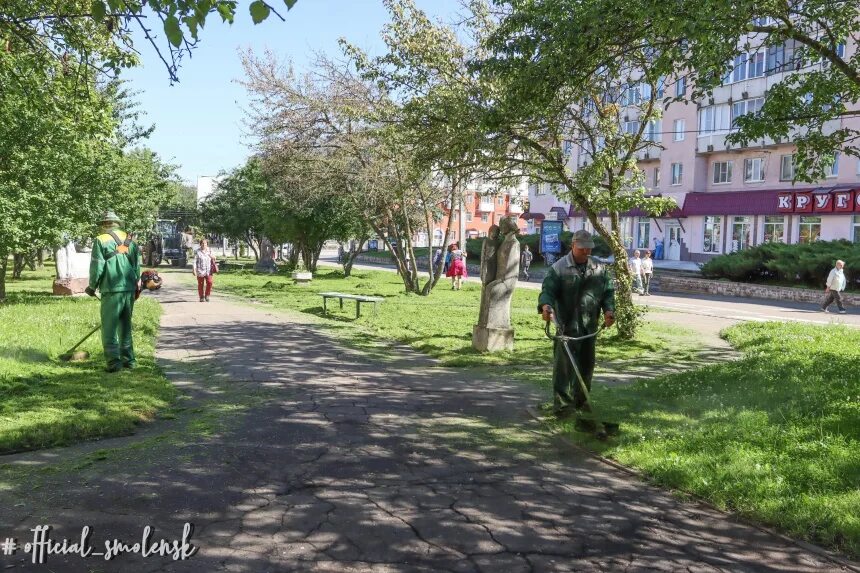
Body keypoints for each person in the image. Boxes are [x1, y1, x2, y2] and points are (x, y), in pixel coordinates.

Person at [539, 230, 615, 417]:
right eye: (582, 248)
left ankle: (582, 401)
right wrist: (546, 306)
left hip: (589, 325)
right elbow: (547, 291)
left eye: (589, 248)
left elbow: (607, 292)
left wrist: (609, 310)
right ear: (573, 245)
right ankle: (563, 406)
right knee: (564, 368)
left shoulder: (598, 267)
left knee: (586, 365)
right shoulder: (559, 268)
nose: (586, 252)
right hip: (565, 325)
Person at [85, 211, 141, 372]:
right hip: (129, 288)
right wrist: (135, 283)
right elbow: (137, 266)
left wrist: (92, 286)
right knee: (125, 326)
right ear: (118, 224)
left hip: (111, 288)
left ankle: (114, 363)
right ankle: (129, 361)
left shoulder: (100, 240)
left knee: (109, 328)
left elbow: (97, 266)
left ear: (104, 224)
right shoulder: (130, 239)